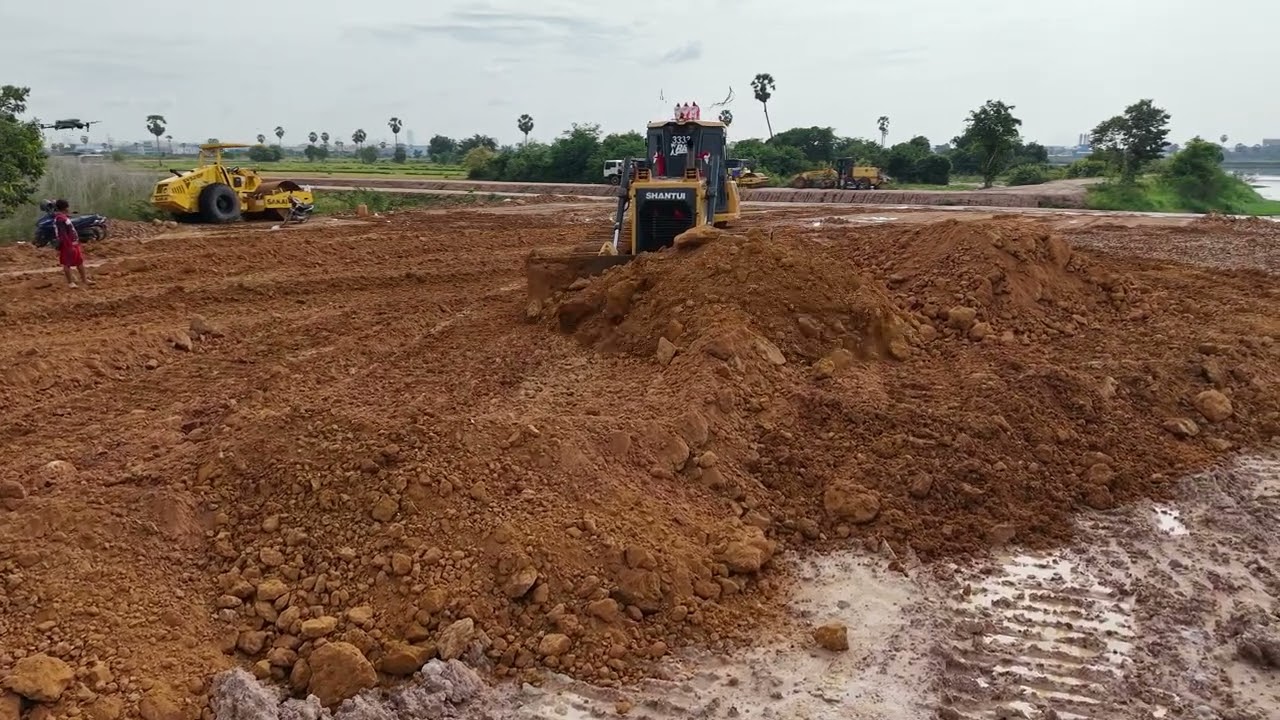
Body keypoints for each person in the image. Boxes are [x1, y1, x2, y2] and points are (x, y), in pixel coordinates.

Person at [51, 199, 92, 288]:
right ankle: (70, 283)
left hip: (74, 243)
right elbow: (63, 234)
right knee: (67, 264)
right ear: (65, 207)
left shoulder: (63, 217)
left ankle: (84, 279)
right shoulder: (60, 219)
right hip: (68, 245)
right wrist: (69, 245)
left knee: (79, 262)